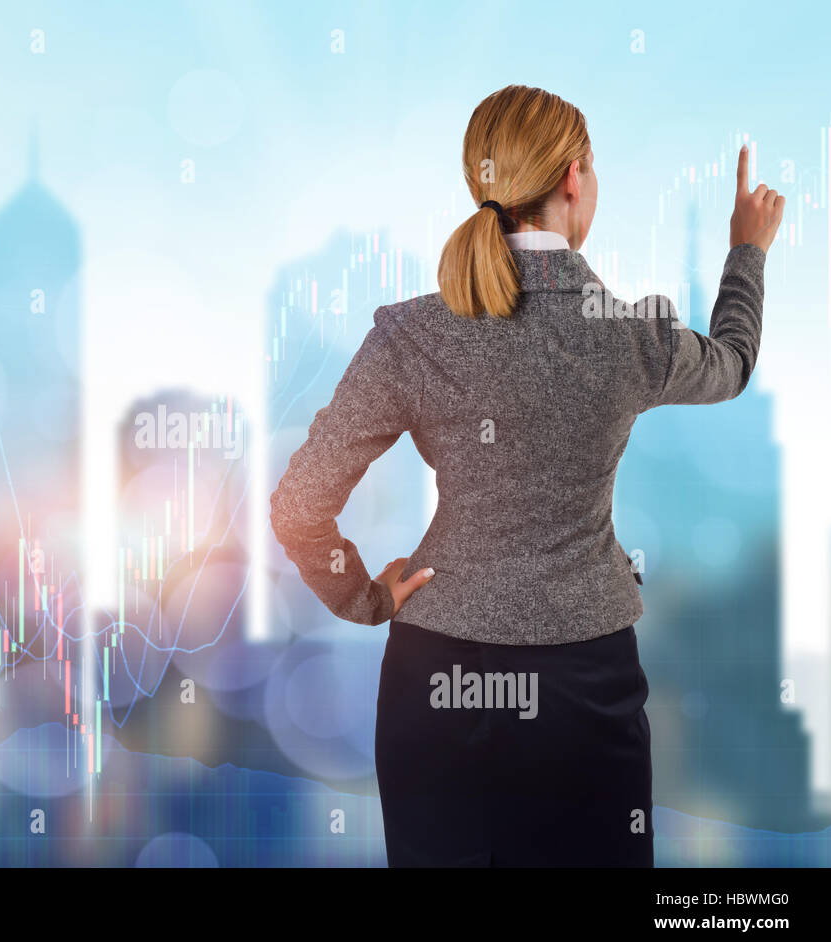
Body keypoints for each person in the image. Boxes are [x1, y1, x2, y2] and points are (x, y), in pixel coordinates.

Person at [268, 84, 785, 866]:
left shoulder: (410, 333)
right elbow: (735, 362)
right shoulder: (631, 337)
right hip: (586, 687)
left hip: (436, 682)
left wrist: (364, 595)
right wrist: (748, 248)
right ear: (575, 178)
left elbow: (299, 505)